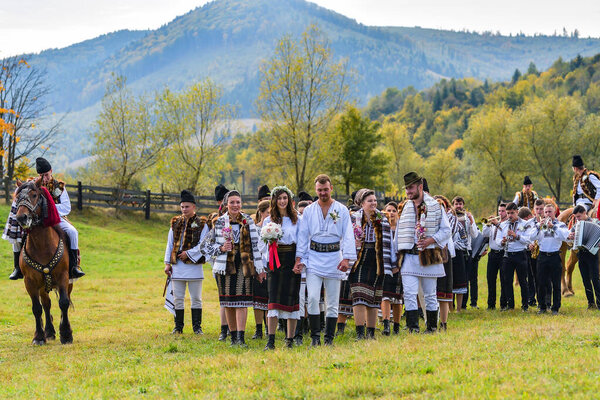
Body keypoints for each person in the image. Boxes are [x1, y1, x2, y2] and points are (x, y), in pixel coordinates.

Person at [295, 174, 356, 346]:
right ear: (316, 190)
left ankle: (329, 338)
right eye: (320, 190)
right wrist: (300, 258)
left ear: (331, 189)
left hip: (334, 259)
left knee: (332, 302)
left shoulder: (341, 210)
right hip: (314, 258)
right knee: (313, 298)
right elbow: (303, 236)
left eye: (326, 189)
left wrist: (346, 259)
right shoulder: (309, 211)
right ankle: (315, 337)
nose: (323, 193)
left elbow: (348, 235)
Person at [201, 190, 266, 346]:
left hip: (244, 265)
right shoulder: (219, 222)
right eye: (232, 202)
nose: (235, 205)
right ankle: (233, 337)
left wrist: (260, 268)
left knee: (242, 302)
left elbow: (256, 246)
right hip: (225, 266)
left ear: (241, 204)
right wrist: (221, 248)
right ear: (226, 204)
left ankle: (241, 338)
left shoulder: (248, 221)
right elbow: (205, 246)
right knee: (228, 302)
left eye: (238, 202)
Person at [7, 157, 85, 280]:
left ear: (51, 171)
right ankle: (17, 268)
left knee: (73, 232)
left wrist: (48, 208)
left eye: (47, 175)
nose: (44, 178)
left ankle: (74, 267)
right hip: (34, 219)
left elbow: (66, 207)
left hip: (56, 217)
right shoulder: (31, 184)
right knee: (17, 236)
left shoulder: (59, 186)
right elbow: (20, 193)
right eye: (41, 175)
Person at [396, 172, 451, 333]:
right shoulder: (405, 207)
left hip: (429, 255)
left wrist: (431, 240)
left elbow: (446, 230)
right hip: (409, 256)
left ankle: (432, 327)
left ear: (420, 187)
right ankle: (413, 327)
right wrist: (396, 257)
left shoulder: (436, 205)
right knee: (409, 293)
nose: (408, 192)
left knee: (429, 294)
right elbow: (399, 232)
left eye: (411, 188)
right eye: (406, 188)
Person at [349, 189, 395, 340]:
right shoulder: (354, 218)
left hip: (377, 259)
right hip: (359, 258)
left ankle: (371, 333)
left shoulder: (382, 219)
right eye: (370, 201)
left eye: (375, 200)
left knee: (374, 298)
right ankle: (360, 333)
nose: (373, 203)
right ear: (361, 203)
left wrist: (391, 263)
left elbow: (389, 244)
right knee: (359, 296)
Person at [259, 186, 302, 350]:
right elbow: (262, 245)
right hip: (274, 262)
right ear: (274, 201)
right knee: (274, 301)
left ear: (289, 200)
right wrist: (269, 244)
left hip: (291, 259)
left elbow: (302, 240)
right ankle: (271, 341)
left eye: (285, 198)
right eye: (279, 198)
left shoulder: (297, 219)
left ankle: (289, 340)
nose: (282, 201)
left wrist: (299, 261)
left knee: (291, 299)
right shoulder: (269, 220)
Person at [164, 190, 209, 334]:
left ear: (194, 207)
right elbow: (170, 243)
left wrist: (188, 254)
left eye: (187, 206)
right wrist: (167, 263)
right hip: (178, 266)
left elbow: (203, 244)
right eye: (182, 206)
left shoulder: (202, 223)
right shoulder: (175, 222)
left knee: (196, 298)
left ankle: (197, 327)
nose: (184, 209)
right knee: (178, 298)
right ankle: (178, 327)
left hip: (194, 266)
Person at [495, 202, 536, 311]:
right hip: (507, 254)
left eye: (512, 213)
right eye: (508, 213)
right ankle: (510, 305)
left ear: (517, 212)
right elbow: (497, 240)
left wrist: (516, 236)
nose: (509, 216)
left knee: (523, 281)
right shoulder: (503, 225)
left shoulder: (525, 224)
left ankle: (525, 305)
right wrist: (502, 242)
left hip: (520, 254)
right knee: (507, 280)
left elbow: (528, 240)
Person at [535, 203, 569, 314]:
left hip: (555, 256)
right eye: (546, 212)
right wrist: (537, 227)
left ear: (554, 212)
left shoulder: (560, 225)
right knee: (541, 283)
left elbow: (565, 236)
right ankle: (542, 307)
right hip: (543, 256)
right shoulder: (539, 224)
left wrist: (552, 226)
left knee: (556, 283)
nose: (547, 214)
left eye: (550, 212)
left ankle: (555, 308)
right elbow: (531, 237)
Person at [568, 205, 600, 309]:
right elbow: (568, 240)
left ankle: (599, 303)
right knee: (585, 280)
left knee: (595, 279)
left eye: (579, 216)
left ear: (585, 213)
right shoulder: (575, 225)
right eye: (576, 217)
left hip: (592, 254)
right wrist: (571, 237)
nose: (577, 219)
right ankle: (590, 303)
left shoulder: (596, 223)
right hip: (581, 254)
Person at [452, 196, 479, 309]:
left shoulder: (468, 217)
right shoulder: (450, 217)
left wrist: (472, 221)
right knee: (453, 278)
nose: (459, 206)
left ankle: (463, 305)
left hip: (466, 251)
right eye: (456, 204)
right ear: (453, 205)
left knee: (465, 278)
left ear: (463, 205)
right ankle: (451, 305)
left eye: (460, 204)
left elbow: (474, 235)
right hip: (454, 251)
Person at [381, 201, 403, 335]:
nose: (391, 213)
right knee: (385, 296)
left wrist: (398, 265)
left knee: (397, 298)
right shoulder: (382, 228)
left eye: (394, 210)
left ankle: (396, 325)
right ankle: (386, 325)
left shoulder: (401, 229)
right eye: (388, 210)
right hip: (385, 266)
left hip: (399, 267)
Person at [212, 184, 231, 342]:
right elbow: (208, 245)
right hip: (221, 263)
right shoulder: (217, 221)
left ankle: (232, 328)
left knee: (234, 299)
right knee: (224, 299)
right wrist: (221, 248)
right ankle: (224, 329)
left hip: (236, 263)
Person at [250, 200, 271, 340]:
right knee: (258, 300)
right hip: (258, 266)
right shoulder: (255, 229)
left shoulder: (275, 228)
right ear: (261, 213)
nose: (270, 215)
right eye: (268, 213)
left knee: (269, 300)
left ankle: (269, 328)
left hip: (271, 266)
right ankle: (258, 329)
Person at [481, 203, 508, 310]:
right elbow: (485, 234)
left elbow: (505, 233)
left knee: (503, 280)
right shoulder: (493, 223)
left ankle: (503, 304)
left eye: (503, 211)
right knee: (490, 279)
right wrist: (487, 224)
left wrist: (498, 225)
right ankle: (490, 304)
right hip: (492, 254)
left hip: (503, 254)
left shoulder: (507, 224)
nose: (500, 213)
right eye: (499, 211)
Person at [433, 195, 454, 331]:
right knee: (431, 291)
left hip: (443, 254)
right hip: (429, 254)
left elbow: (447, 236)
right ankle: (432, 320)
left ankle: (444, 323)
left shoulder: (446, 220)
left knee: (443, 291)